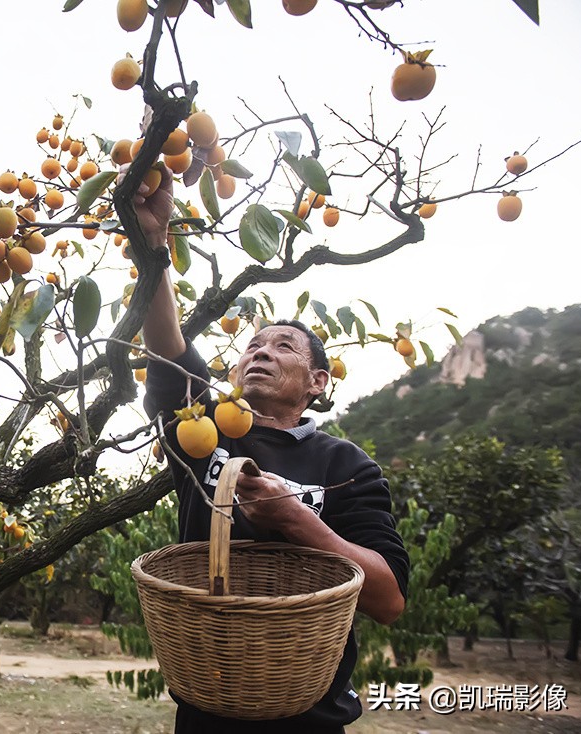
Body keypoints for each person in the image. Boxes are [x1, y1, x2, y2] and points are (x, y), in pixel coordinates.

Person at [135, 168, 409, 733]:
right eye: (251, 346)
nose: (259, 353)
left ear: (317, 381)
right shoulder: (205, 430)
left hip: (311, 710)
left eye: (282, 347)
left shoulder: (345, 465)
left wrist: (297, 520)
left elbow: (388, 600)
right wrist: (154, 241)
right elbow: (167, 343)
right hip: (208, 701)